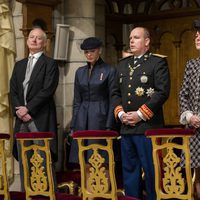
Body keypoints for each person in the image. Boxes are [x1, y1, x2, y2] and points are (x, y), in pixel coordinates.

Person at [112, 26, 170, 200]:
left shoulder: (157, 62)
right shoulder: (122, 64)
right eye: (130, 38)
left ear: (147, 41)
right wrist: (121, 114)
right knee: (129, 173)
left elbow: (162, 92)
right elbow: (115, 93)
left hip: (147, 127)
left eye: (136, 37)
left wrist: (140, 114)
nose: (131, 41)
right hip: (127, 127)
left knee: (152, 171)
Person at [10, 27, 59, 191]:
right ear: (27, 40)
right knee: (25, 157)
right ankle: (27, 192)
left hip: (40, 117)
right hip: (21, 118)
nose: (34, 40)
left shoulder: (50, 63)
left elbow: (48, 90)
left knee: (44, 157)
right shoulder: (19, 65)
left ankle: (48, 193)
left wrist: (28, 109)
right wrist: (19, 110)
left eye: (39, 38)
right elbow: (14, 90)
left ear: (44, 43)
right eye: (31, 37)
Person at [69, 37, 116, 181]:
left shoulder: (109, 70)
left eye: (92, 51)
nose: (89, 54)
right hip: (82, 118)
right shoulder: (80, 72)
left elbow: (112, 99)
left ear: (99, 51)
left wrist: (109, 125)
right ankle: (87, 191)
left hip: (100, 117)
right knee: (83, 157)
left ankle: (102, 190)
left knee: (100, 157)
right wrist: (73, 125)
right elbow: (77, 100)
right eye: (86, 52)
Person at [179, 19, 200, 199]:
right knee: (196, 176)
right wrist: (189, 116)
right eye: (196, 34)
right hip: (194, 129)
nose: (197, 36)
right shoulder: (192, 64)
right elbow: (183, 95)